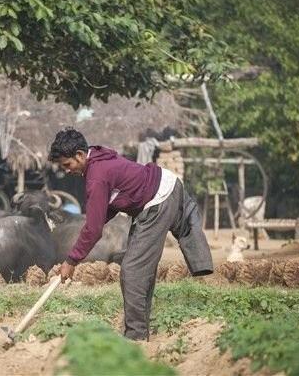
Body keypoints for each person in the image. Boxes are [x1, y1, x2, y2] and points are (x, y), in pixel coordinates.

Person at [48, 127, 213, 341]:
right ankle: (140, 329)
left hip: (156, 200)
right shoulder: (100, 156)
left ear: (80, 155)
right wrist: (93, 222)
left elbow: (94, 230)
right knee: (143, 265)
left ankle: (135, 337)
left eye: (67, 165)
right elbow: (110, 205)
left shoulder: (96, 177)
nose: (67, 171)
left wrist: (71, 260)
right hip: (168, 183)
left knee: (133, 270)